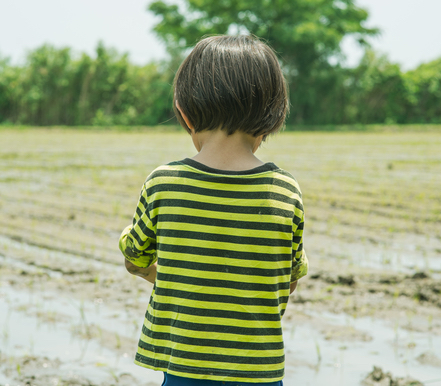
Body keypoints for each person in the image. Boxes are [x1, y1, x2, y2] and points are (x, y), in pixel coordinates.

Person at [118, 34, 308, 386]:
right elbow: (289, 279)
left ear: (184, 113)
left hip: (185, 372)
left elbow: (135, 256)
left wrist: (160, 275)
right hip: (261, 374)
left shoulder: (164, 183)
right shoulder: (285, 191)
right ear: (274, 117)